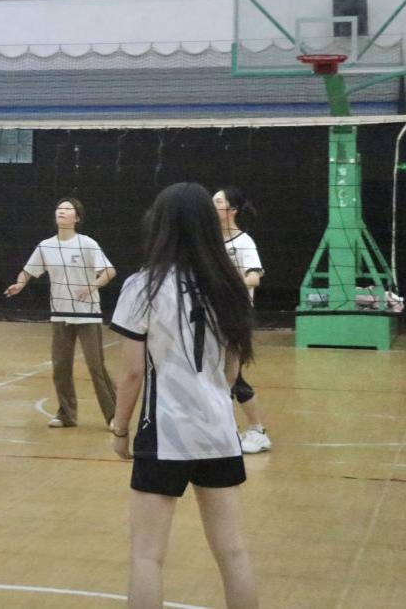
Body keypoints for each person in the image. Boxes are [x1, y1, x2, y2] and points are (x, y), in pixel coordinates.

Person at [109, 182, 259, 609]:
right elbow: (231, 373)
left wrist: (119, 428)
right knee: (233, 552)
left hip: (165, 433)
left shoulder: (142, 286)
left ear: (160, 225)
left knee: (147, 556)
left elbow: (132, 373)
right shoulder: (229, 286)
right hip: (219, 431)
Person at [5, 197, 117, 429]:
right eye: (59, 208)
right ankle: (67, 415)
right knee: (61, 367)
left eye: (68, 209)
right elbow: (28, 270)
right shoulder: (46, 246)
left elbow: (109, 271)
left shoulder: (87, 243)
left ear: (77, 218)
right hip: (60, 314)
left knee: (96, 367)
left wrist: (91, 286)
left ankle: (115, 416)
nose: (62, 211)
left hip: (87, 314)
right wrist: (20, 284)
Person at [214, 187, 271, 454]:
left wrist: (232, 287)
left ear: (232, 210)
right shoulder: (211, 241)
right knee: (221, 376)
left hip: (236, 316)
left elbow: (254, 277)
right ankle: (232, 430)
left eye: (217, 202)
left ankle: (256, 431)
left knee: (231, 377)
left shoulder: (244, 242)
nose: (212, 207)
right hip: (213, 315)